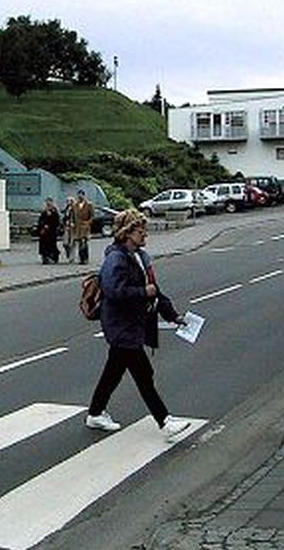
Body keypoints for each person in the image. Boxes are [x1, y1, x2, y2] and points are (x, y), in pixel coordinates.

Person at [85, 208, 191, 442]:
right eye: (141, 231)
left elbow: (155, 290)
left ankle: (94, 413)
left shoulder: (141, 257)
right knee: (144, 374)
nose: (145, 235)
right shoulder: (116, 258)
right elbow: (114, 291)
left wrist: (173, 316)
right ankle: (164, 421)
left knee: (112, 374)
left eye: (144, 231)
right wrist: (143, 292)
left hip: (132, 324)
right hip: (120, 326)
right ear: (127, 233)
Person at [72, 188, 94, 264]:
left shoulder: (89, 205)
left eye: (81, 195)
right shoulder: (75, 205)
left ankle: (85, 258)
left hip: (85, 227)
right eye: (78, 195)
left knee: (84, 242)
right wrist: (73, 223)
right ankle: (81, 258)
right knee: (79, 243)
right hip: (78, 227)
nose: (80, 196)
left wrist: (88, 223)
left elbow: (92, 216)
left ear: (84, 196)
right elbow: (73, 216)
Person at [36, 197, 60, 264]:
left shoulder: (54, 211)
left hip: (51, 232)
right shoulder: (44, 211)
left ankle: (53, 257)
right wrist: (42, 226)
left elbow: (56, 221)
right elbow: (40, 220)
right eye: (47, 202)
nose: (48, 203)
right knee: (44, 245)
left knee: (52, 245)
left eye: (49, 202)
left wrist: (50, 224)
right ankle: (45, 257)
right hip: (44, 232)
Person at [61, 196, 76, 263]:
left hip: (72, 228)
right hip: (66, 227)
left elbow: (76, 218)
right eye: (67, 201)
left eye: (70, 201)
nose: (68, 202)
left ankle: (72, 257)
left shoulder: (75, 209)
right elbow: (64, 217)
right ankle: (68, 252)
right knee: (65, 243)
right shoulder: (66, 209)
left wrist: (73, 223)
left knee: (72, 243)